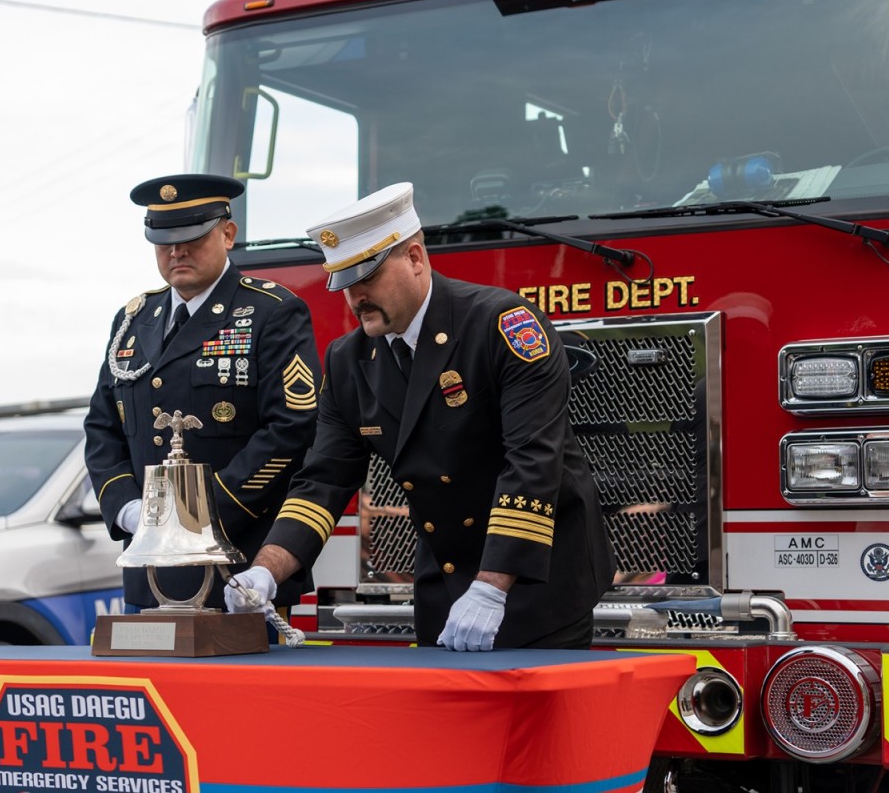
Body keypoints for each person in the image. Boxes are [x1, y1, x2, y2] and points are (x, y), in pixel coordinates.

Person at [225, 182, 616, 651]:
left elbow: (533, 462)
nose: (355, 297)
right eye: (344, 283)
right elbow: (323, 481)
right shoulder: (348, 361)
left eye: (367, 277)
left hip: (539, 584)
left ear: (414, 257)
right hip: (445, 587)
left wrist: (492, 588)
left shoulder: (501, 325)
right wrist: (266, 570)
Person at [84, 173, 322, 622]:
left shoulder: (272, 312)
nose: (177, 251)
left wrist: (200, 517)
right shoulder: (133, 319)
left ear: (228, 234)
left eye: (192, 237)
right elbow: (102, 428)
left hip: (241, 565)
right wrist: (132, 511)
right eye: (164, 240)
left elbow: (291, 428)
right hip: (149, 570)